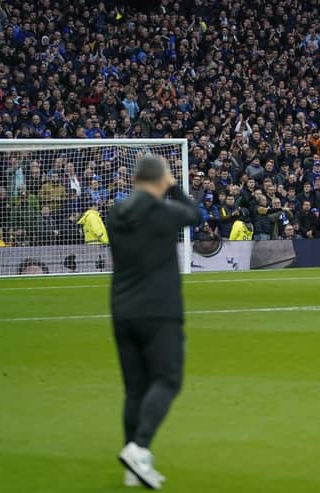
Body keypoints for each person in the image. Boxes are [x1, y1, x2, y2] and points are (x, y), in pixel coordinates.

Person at [106, 155, 201, 490]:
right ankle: (139, 446)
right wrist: (175, 187)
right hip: (159, 309)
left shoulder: (115, 214)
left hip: (122, 309)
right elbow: (195, 214)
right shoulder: (163, 212)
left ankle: (135, 467)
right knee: (167, 379)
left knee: (135, 390)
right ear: (161, 180)